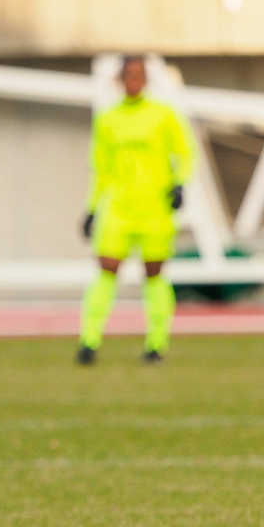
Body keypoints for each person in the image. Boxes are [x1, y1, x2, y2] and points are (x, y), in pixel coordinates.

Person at [77, 55, 192, 365]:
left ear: (146, 79)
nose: (134, 80)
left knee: (154, 276)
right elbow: (101, 169)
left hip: (155, 211)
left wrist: (180, 185)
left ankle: (157, 344)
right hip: (118, 210)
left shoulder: (163, 115)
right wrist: (91, 209)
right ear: (120, 78)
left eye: (139, 74)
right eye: (129, 74)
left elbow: (185, 152)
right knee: (106, 270)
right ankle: (89, 341)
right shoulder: (106, 119)